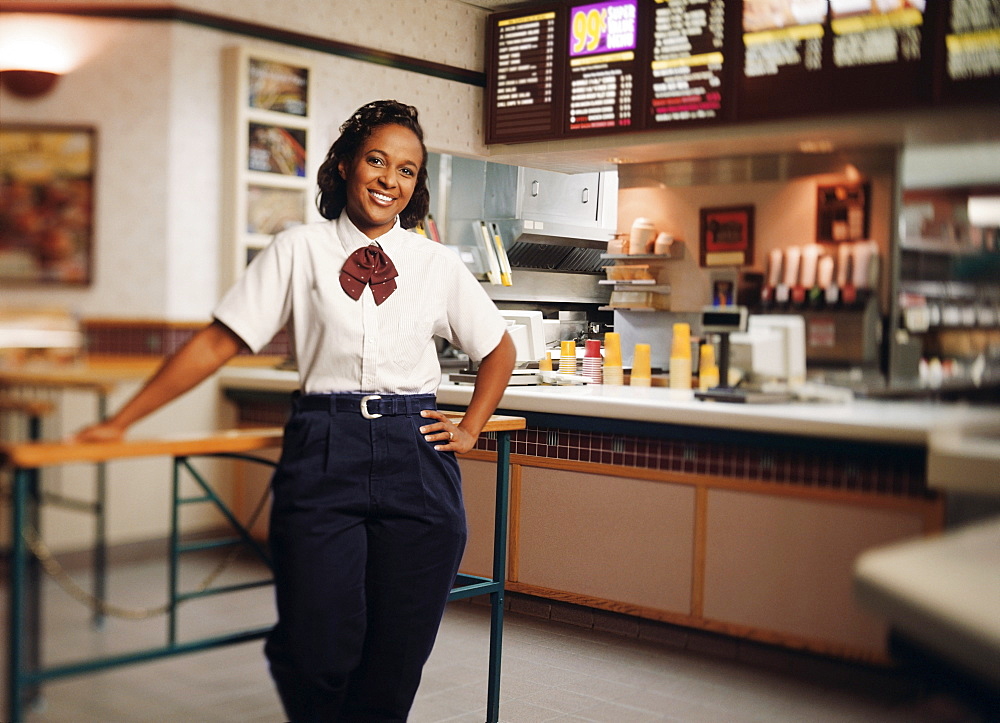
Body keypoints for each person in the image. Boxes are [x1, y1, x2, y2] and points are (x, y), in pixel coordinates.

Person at [76, 99, 516, 721]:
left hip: (416, 456)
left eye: (408, 171)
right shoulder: (298, 249)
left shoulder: (437, 265)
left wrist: (470, 427)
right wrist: (121, 421)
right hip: (323, 446)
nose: (390, 179)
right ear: (343, 165)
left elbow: (498, 347)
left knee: (397, 654)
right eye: (377, 160)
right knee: (315, 647)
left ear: (415, 187)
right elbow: (216, 342)